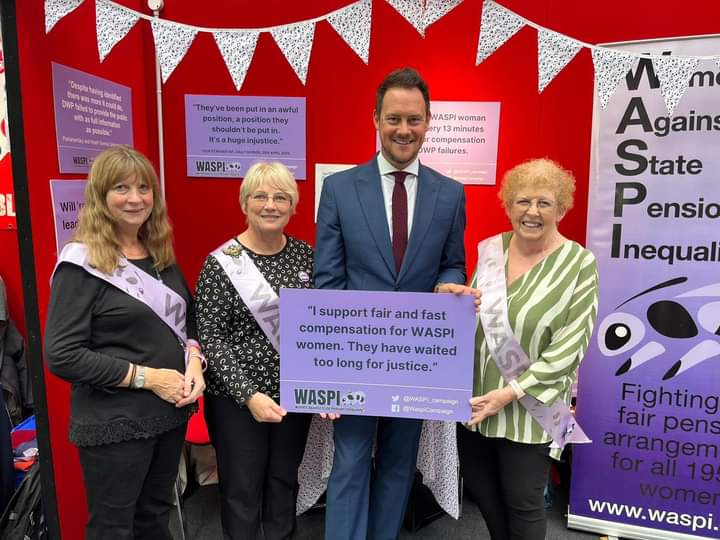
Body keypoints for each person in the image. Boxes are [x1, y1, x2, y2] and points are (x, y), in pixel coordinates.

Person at [314, 67, 477, 540]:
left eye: (414, 119)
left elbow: (453, 264)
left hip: (416, 357)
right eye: (393, 119)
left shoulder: (450, 194)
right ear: (375, 120)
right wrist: (330, 366)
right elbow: (328, 281)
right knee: (348, 462)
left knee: (399, 463)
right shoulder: (340, 189)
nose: (403, 130)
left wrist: (450, 285)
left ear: (429, 122)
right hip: (354, 355)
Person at [44, 145, 206, 540]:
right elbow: (61, 354)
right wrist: (148, 378)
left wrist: (195, 362)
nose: (135, 198)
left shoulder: (157, 255)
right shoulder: (82, 264)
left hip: (168, 416)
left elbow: (189, 321)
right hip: (115, 423)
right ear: (100, 197)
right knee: (113, 528)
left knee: (154, 516)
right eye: (121, 188)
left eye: (143, 188)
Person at [459, 158, 599, 540]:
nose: (532, 212)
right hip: (477, 401)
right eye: (522, 202)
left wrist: (510, 392)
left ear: (562, 208)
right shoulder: (490, 250)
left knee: (523, 502)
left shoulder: (579, 263)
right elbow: (473, 320)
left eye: (544, 203)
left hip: (528, 408)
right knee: (485, 494)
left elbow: (572, 346)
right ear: (508, 206)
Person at [195, 162, 313, 540]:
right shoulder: (220, 264)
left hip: (292, 398)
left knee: (284, 482)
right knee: (241, 490)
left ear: (293, 206)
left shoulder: (306, 257)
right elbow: (211, 337)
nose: (270, 205)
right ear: (244, 203)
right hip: (235, 401)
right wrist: (249, 395)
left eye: (281, 197)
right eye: (260, 196)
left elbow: (320, 327)